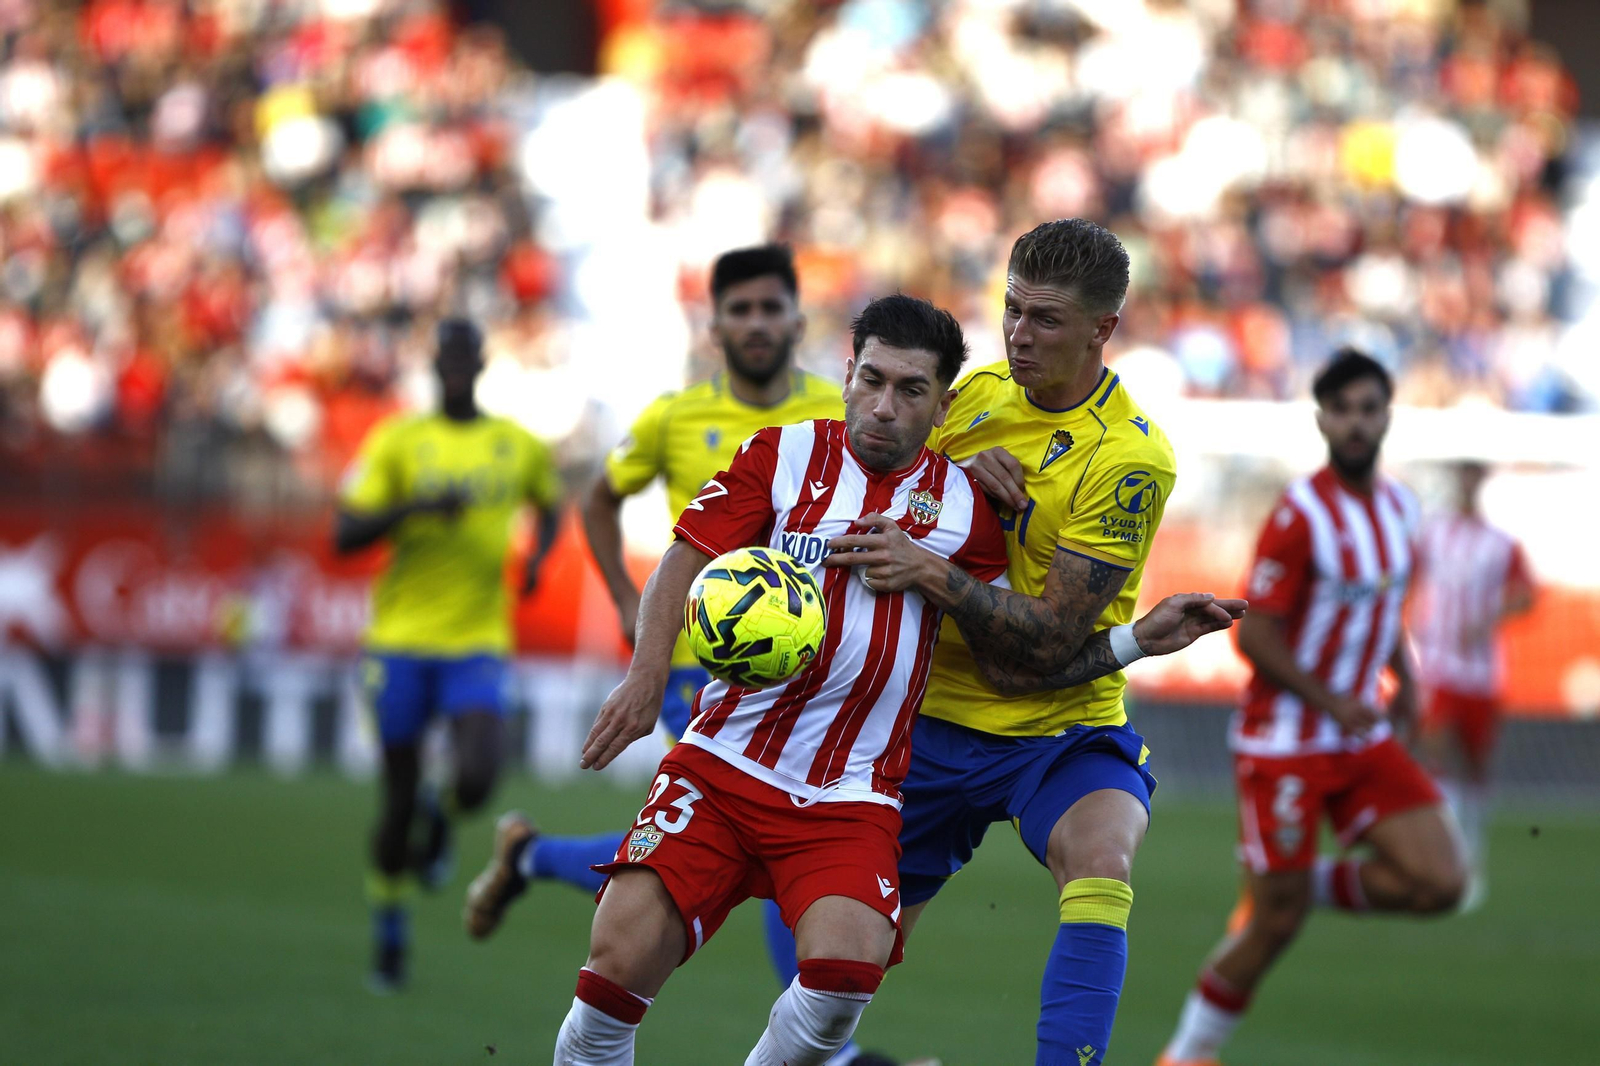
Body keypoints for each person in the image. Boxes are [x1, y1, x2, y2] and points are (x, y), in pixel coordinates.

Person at [467, 294, 1239, 1065]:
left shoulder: (971, 514)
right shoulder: (779, 455)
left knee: (846, 976)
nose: (883, 406)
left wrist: (1129, 639)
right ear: (845, 376)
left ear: (943, 404)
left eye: (910, 391)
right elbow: (684, 558)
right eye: (871, 380)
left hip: (851, 793)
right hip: (722, 764)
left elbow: (1016, 659)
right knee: (616, 967)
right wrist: (643, 680)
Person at [463, 244, 865, 1058]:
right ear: (714, 325)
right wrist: (621, 598)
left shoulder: (842, 409)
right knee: (744, 834)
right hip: (707, 669)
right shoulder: (674, 418)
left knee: (717, 849)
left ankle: (531, 854)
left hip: (818, 679)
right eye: (739, 310)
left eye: (770, 308)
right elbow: (602, 498)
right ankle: (837, 1047)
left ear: (797, 318)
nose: (755, 323)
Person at [824, 219, 1199, 1066]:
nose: (1019, 335)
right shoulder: (967, 400)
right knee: (847, 962)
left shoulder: (1130, 458)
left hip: (1058, 725)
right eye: (1012, 310)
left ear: (1102, 329)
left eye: (1047, 320)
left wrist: (933, 568)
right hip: (924, 721)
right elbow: (857, 507)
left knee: (1102, 861)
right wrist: (954, 483)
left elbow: (1044, 647)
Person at [1156, 349, 1469, 1066]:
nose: (1357, 423)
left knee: (1443, 882)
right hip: (1286, 742)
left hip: (1361, 739)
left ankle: (1296, 883)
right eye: (1343, 410)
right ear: (1323, 419)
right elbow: (1256, 634)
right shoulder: (1299, 515)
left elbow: (1382, 611)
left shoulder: (1399, 507)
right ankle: (1184, 1054)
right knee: (1270, 931)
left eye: (1369, 408)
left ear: (1387, 415)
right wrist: (1330, 698)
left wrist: (1409, 685)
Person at [335, 318, 563, 992]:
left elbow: (549, 506)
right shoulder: (399, 440)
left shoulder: (515, 445)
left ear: (482, 363)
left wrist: (539, 559)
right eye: (448, 356)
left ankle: (444, 811)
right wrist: (415, 506)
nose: (458, 366)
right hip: (401, 643)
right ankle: (389, 929)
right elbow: (344, 532)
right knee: (395, 798)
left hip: (476, 642)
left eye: (468, 355)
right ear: (434, 364)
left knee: (480, 774)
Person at [1413, 461, 1535, 910]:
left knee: (1477, 768)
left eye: (1472, 474)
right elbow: (1405, 571)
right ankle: (1447, 862)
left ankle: (1473, 858)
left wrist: (1489, 620)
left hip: (1482, 673)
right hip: (1439, 665)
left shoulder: (1499, 544)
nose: (1465, 482)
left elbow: (1526, 595)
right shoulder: (1433, 532)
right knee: (1438, 753)